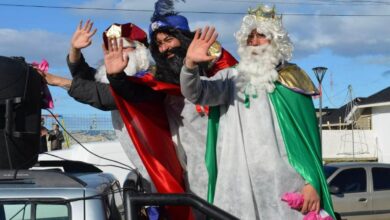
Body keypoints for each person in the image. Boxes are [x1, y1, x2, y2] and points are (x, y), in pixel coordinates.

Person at [179, 5, 335, 219]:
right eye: (249, 36)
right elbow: (195, 93)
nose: (253, 41)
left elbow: (309, 142)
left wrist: (312, 183)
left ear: (276, 40)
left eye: (261, 35)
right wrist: (189, 65)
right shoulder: (230, 79)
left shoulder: (293, 80)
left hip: (285, 190)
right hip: (237, 189)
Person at [105, 0, 238, 206]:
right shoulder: (162, 79)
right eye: (159, 44)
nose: (165, 48)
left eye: (169, 40)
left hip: (232, 159)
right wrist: (117, 77)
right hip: (195, 171)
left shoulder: (217, 65)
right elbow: (139, 95)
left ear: (183, 38)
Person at [37, 20, 155, 193]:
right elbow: (89, 81)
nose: (116, 53)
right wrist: (75, 50)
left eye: (122, 47)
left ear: (140, 51)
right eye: (112, 48)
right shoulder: (122, 79)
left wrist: (56, 80)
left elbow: (108, 96)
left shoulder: (148, 80)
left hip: (161, 164)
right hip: (146, 165)